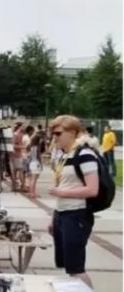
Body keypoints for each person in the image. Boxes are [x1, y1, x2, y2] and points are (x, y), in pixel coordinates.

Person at [48, 115, 99, 288]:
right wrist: (54, 217)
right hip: (63, 214)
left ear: (72, 132)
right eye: (53, 133)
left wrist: (61, 192)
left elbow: (92, 190)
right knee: (70, 268)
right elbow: (65, 185)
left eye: (58, 133)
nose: (54, 137)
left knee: (76, 269)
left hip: (77, 214)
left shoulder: (84, 155)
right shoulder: (65, 155)